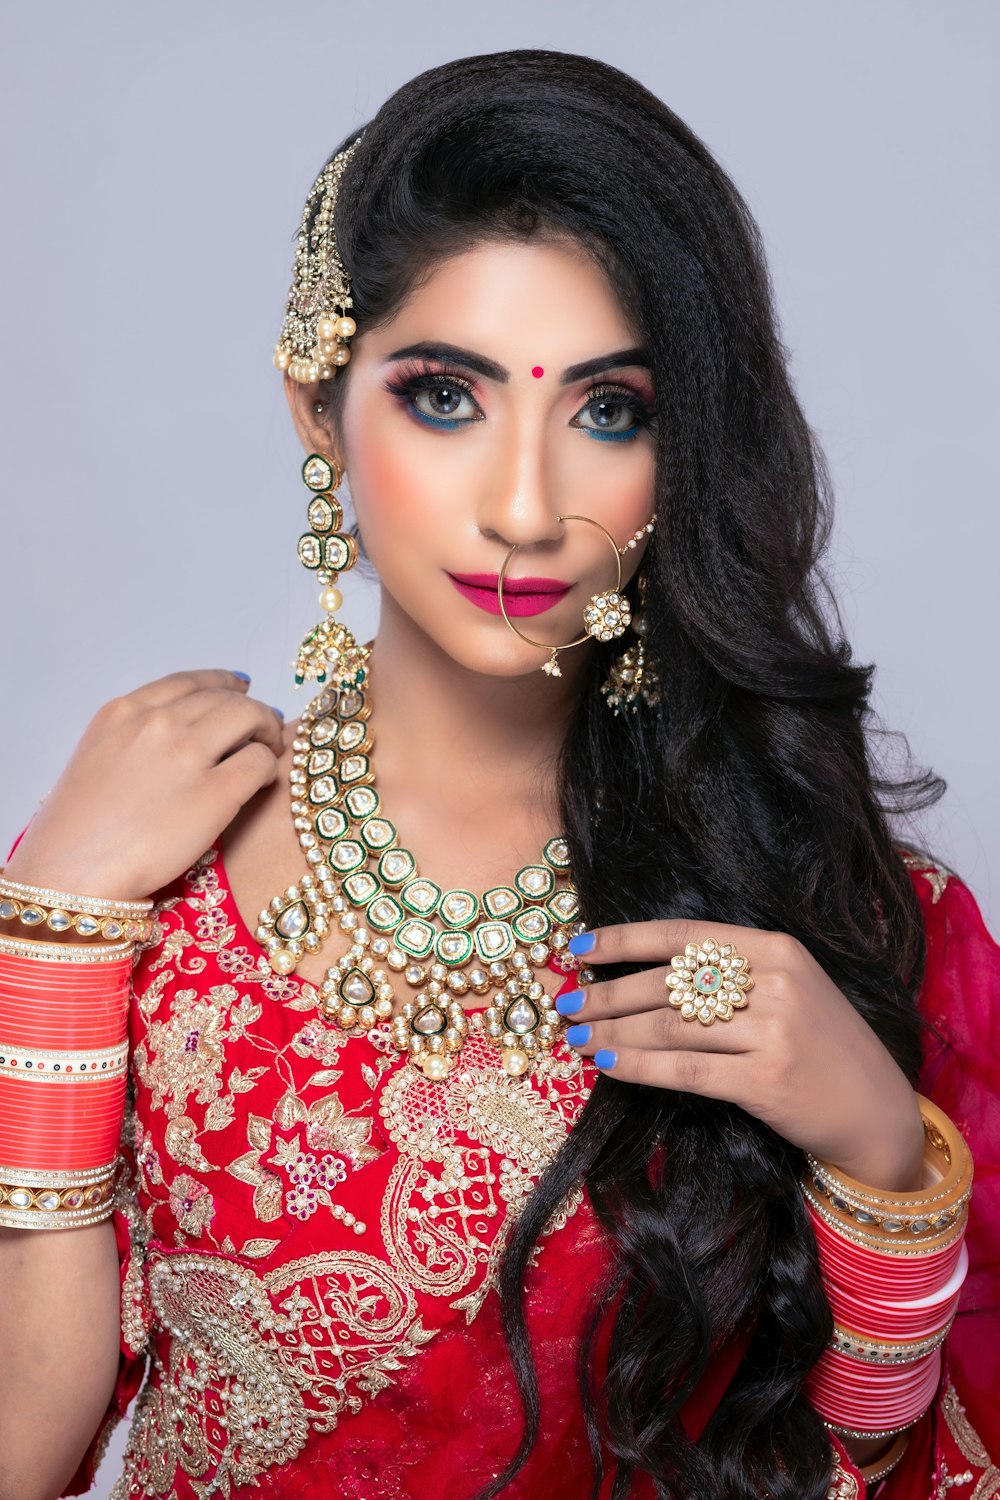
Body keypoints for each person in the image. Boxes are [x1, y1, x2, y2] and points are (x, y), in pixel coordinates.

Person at [0, 47, 996, 1500]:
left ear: (688, 448)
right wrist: (49, 937)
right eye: (445, 396)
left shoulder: (823, 903)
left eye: (610, 411)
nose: (525, 506)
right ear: (316, 404)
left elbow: (866, 1448)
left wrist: (877, 1159)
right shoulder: (135, 868)